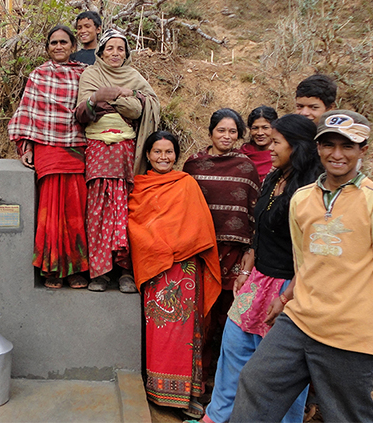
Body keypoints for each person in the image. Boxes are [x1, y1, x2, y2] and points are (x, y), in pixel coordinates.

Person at [231, 110, 373, 422]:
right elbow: (304, 262)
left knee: (345, 416)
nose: (337, 154)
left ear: (362, 150)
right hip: (299, 322)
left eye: (348, 146)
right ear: (317, 148)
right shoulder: (302, 199)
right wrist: (287, 298)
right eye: (328, 145)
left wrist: (372, 332)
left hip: (350, 334)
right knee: (256, 384)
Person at [200, 114, 322, 423]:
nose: (269, 144)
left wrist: (287, 297)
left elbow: (312, 253)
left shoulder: (313, 191)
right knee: (234, 346)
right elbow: (259, 222)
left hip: (290, 287)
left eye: (277, 141)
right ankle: (219, 415)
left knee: (284, 369)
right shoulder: (273, 176)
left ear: (297, 147)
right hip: (258, 279)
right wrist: (250, 257)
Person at [128, 131, 221, 419]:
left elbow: (199, 226)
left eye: (169, 152)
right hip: (156, 268)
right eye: (157, 152)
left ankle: (187, 395)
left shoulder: (186, 184)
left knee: (185, 333)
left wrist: (175, 247)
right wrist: (158, 248)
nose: (163, 157)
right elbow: (135, 224)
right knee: (158, 329)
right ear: (147, 155)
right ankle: (158, 390)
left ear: (176, 155)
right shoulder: (139, 186)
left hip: (185, 269)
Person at [75, 29, 160, 292]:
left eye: (120, 49)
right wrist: (99, 98)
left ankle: (125, 271)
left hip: (126, 150)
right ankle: (99, 273)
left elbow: (148, 105)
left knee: (125, 208)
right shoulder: (90, 75)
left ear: (126, 53)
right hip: (98, 148)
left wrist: (119, 97)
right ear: (100, 52)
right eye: (109, 48)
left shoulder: (134, 77)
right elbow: (82, 112)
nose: (115, 53)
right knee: (98, 208)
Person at [8, 25, 90, 289]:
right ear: (47, 48)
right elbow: (26, 113)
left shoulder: (84, 75)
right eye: (53, 42)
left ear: (73, 46)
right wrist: (26, 148)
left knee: (76, 210)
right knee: (50, 212)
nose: (58, 46)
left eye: (63, 42)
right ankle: (52, 268)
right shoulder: (38, 75)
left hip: (77, 148)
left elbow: (92, 107)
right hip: (47, 149)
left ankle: (76, 269)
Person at [182, 108, 260, 373]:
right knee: (200, 315)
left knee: (228, 315)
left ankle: (221, 376)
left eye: (233, 132)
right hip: (201, 250)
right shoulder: (193, 164)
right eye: (221, 130)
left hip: (234, 254)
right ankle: (196, 376)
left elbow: (253, 210)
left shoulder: (246, 167)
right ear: (210, 132)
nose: (227, 136)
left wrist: (251, 249)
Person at [239, 105, 278, 183]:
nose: (260, 133)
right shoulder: (242, 154)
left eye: (265, 128)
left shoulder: (280, 155)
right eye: (255, 128)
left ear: (275, 128)